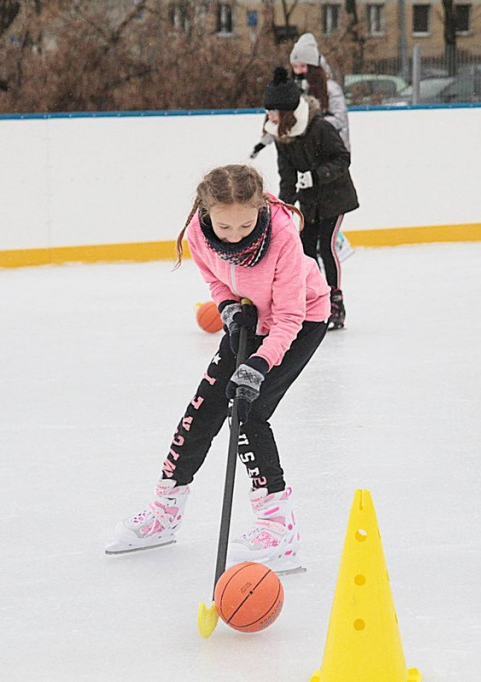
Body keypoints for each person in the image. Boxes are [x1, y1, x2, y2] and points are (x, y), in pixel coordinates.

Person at [105, 164, 330, 572]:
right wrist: (228, 307)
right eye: (225, 227)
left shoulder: (281, 235)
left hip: (300, 321)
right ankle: (165, 511)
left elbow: (290, 317)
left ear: (260, 207)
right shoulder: (197, 232)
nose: (237, 234)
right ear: (207, 214)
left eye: (246, 223)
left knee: (249, 413)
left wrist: (258, 366)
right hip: (249, 319)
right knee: (201, 412)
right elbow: (216, 279)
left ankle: (279, 529)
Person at [263, 66, 358, 331]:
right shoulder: (282, 135)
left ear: (286, 112)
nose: (268, 116)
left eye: (272, 111)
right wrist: (283, 207)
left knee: (326, 246)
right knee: (305, 251)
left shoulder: (320, 128)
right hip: (309, 202)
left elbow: (343, 158)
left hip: (335, 196)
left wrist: (317, 176)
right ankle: (316, 300)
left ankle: (336, 302)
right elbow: (287, 175)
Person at [250, 33, 350, 159]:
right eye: (295, 66)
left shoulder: (330, 89)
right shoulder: (292, 89)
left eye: (303, 66)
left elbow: (340, 120)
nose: (298, 71)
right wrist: (263, 142)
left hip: (330, 151)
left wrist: (308, 123)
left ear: (313, 67)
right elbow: (281, 118)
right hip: (304, 153)